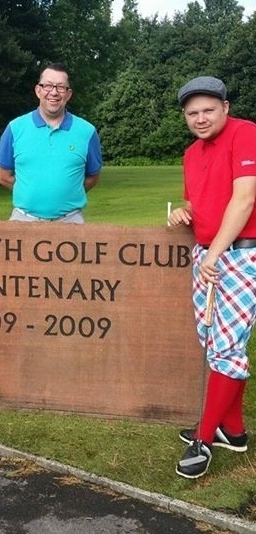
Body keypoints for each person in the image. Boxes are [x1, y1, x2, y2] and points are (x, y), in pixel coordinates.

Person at [168, 75, 256, 479]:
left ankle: (203, 439)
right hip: (209, 253)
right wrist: (182, 212)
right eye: (192, 113)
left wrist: (215, 253)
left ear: (225, 107)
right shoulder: (191, 153)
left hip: (240, 254)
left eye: (207, 110)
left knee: (225, 346)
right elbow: (198, 198)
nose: (200, 118)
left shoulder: (246, 134)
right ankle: (233, 430)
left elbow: (245, 199)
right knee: (216, 341)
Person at [0, 62, 102, 223]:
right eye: (48, 86)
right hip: (23, 220)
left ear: (68, 94)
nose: (54, 92)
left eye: (60, 87)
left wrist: (69, 194)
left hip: (71, 221)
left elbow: (93, 177)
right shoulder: (15, 128)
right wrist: (28, 191)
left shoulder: (87, 132)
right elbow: (2, 176)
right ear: (38, 90)